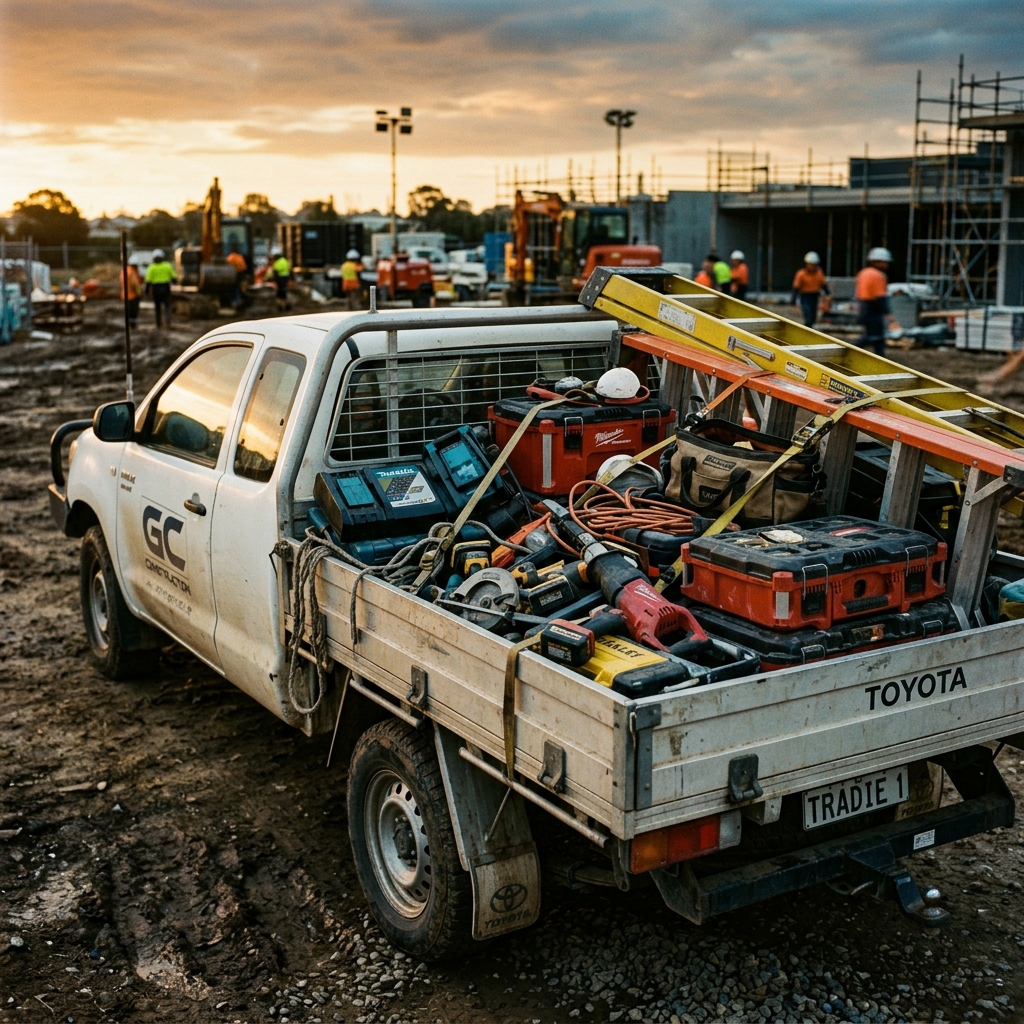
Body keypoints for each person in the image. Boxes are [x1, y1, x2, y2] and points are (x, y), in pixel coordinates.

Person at [855, 247, 898, 356]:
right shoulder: (878, 276)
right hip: (873, 308)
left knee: (874, 335)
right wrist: (888, 314)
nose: (887, 265)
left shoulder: (863, 273)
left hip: (863, 306)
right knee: (875, 336)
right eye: (885, 262)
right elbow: (880, 297)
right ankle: (853, 349)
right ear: (878, 262)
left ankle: (880, 355)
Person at [790, 251, 831, 328]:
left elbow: (823, 285)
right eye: (810, 264)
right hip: (805, 296)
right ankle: (807, 326)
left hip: (814, 296)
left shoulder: (819, 273)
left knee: (813, 315)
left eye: (813, 265)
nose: (811, 266)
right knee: (807, 312)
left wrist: (828, 294)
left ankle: (810, 327)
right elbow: (796, 288)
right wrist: (793, 301)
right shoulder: (801, 274)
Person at [144, 249, 177, 328]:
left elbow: (148, 281)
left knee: (158, 307)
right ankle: (168, 322)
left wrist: (147, 291)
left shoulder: (151, 267)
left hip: (156, 289)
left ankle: (158, 323)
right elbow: (174, 278)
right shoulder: (167, 266)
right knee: (167, 306)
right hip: (165, 288)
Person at [266, 246, 291, 311]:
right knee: (284, 292)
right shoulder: (285, 261)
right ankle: (286, 305)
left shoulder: (277, 263)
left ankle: (280, 306)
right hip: (286, 278)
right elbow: (289, 269)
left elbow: (275, 272)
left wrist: (272, 279)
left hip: (280, 279)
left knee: (280, 293)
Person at [121, 258, 142, 328]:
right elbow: (134, 284)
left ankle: (129, 324)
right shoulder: (131, 272)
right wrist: (139, 293)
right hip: (133, 295)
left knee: (128, 310)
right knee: (133, 310)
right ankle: (132, 325)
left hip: (126, 294)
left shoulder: (125, 270)